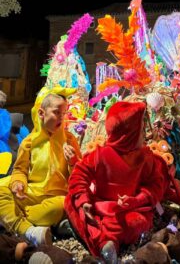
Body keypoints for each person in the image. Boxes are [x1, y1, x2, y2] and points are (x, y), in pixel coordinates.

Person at [65, 101, 170, 263]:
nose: (145, 134)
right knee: (72, 202)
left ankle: (103, 241)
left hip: (130, 211)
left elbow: (155, 185)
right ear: (127, 136)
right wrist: (83, 199)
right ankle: (106, 243)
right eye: (141, 131)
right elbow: (79, 174)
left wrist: (137, 199)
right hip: (101, 207)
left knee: (136, 222)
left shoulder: (145, 157)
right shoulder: (100, 155)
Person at [0, 86, 81, 246]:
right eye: (57, 112)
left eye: (64, 114)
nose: (61, 118)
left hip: (56, 197)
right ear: (41, 114)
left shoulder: (70, 140)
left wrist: (73, 162)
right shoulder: (29, 141)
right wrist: (18, 183)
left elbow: (80, 176)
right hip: (32, 193)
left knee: (61, 206)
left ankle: (18, 223)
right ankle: (31, 230)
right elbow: (20, 170)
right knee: (1, 192)